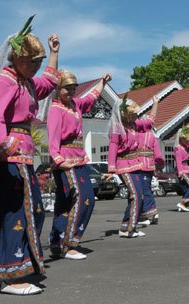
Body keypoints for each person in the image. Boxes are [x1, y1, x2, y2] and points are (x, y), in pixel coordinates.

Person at [0, 16, 60, 295]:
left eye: (39, 62)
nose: (37, 67)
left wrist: (54, 53)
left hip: (19, 157)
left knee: (22, 211)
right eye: (33, 62)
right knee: (19, 213)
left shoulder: (26, 82)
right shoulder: (7, 80)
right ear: (18, 58)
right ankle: (13, 276)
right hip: (8, 157)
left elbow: (49, 83)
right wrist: (5, 146)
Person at [47, 71, 111, 259]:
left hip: (79, 160)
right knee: (85, 198)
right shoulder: (56, 110)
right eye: (67, 88)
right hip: (67, 163)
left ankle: (57, 243)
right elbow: (53, 139)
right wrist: (59, 161)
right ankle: (70, 243)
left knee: (65, 204)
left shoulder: (76, 105)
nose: (71, 92)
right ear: (58, 89)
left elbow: (92, 97)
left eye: (74, 88)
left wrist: (103, 83)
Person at [107, 95, 158, 237]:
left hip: (136, 164)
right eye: (133, 115)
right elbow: (113, 146)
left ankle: (128, 226)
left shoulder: (134, 125)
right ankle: (127, 228)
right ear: (124, 114)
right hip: (123, 165)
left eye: (135, 115)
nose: (135, 117)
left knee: (139, 196)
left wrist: (155, 104)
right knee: (135, 195)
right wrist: (111, 169)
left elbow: (149, 122)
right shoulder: (117, 126)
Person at [136, 108, 166, 226]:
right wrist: (160, 165)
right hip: (149, 166)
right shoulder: (152, 136)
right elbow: (158, 154)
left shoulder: (136, 134)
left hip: (138, 165)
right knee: (147, 189)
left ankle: (148, 213)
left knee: (142, 191)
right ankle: (151, 212)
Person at [174, 125, 189, 212]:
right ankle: (184, 202)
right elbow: (178, 162)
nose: (187, 141)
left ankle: (184, 204)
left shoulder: (185, 146)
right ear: (180, 139)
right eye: (185, 139)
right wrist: (180, 172)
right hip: (182, 171)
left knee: (187, 188)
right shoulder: (178, 149)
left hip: (186, 170)